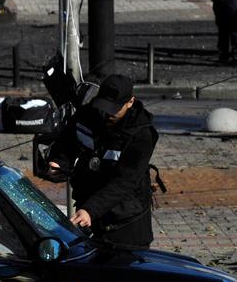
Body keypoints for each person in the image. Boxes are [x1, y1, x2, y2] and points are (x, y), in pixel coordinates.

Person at [46, 74, 160, 247]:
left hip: (126, 221)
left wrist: (91, 210)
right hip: (89, 212)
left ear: (130, 102)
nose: (107, 114)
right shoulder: (87, 115)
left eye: (114, 109)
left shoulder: (141, 134)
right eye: (104, 107)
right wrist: (59, 162)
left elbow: (125, 182)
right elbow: (66, 143)